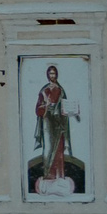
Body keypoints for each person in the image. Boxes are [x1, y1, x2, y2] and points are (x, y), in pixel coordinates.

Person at [29, 64, 85, 194]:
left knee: (59, 150)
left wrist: (73, 112)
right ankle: (49, 176)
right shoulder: (44, 90)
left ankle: (59, 176)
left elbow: (65, 106)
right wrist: (46, 106)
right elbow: (38, 109)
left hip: (59, 122)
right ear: (47, 75)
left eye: (54, 73)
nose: (52, 76)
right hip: (47, 121)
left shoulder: (61, 89)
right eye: (50, 74)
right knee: (48, 149)